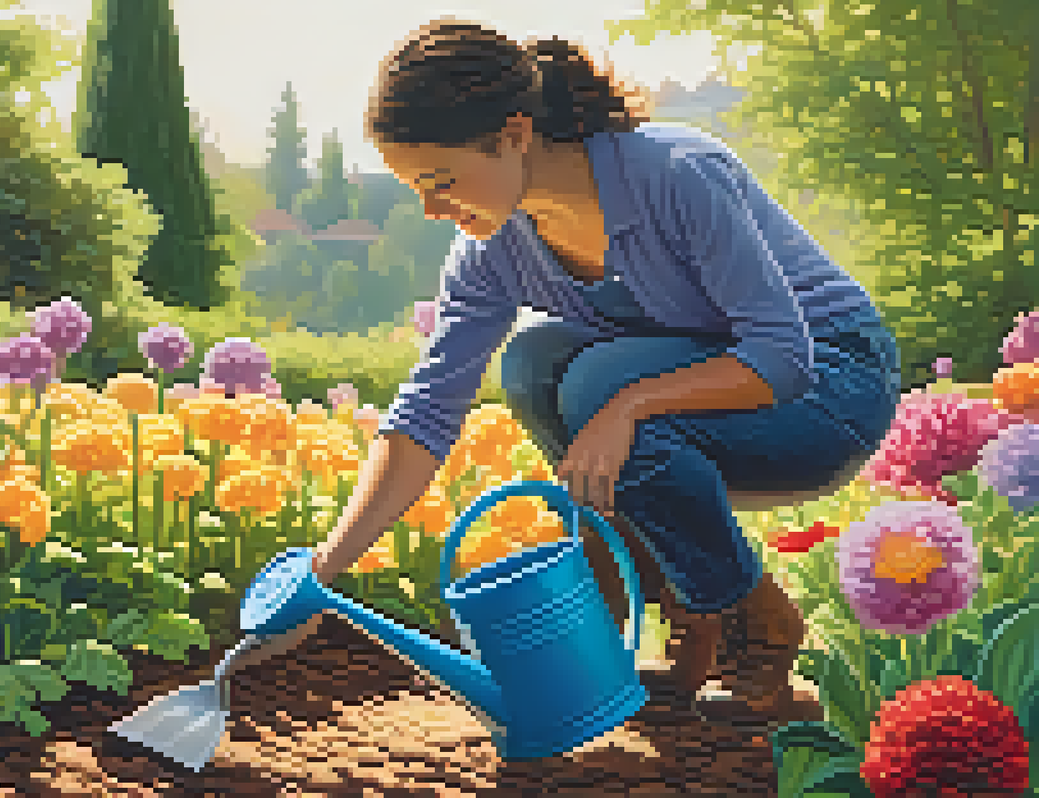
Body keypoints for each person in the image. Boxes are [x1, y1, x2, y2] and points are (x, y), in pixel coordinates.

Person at [225, 19, 901, 730]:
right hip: (699, 391)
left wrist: (629, 406)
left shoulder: (676, 174)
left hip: (830, 389)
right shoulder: (493, 250)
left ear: (515, 134)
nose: (431, 210)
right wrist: (325, 570)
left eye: (441, 181)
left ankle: (753, 618)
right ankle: (683, 615)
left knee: (595, 380)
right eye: (415, 190)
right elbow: (427, 409)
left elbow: (782, 355)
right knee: (532, 362)